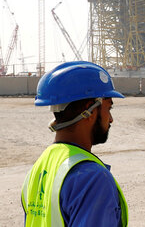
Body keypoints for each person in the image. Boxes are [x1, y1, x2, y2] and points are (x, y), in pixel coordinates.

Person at [21, 61, 128, 226]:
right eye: (109, 109)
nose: (111, 119)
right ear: (89, 110)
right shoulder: (92, 179)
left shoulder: (39, 168)